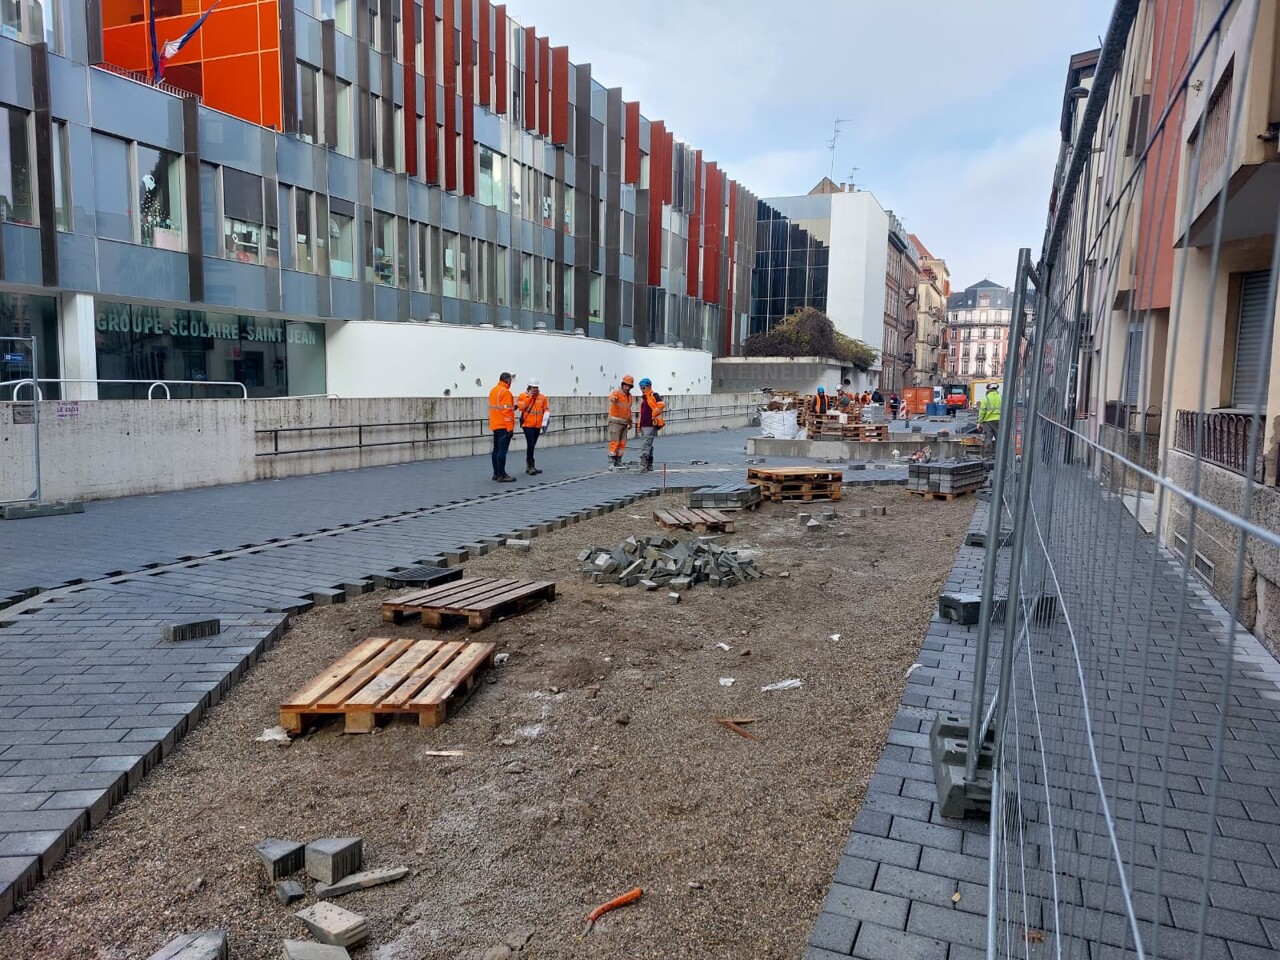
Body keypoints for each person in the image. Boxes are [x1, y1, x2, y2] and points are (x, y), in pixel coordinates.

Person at [516, 378, 551, 476]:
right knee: (530, 444)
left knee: (533, 445)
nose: (535, 389)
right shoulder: (523, 396)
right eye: (533, 387)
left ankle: (531, 465)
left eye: (536, 387)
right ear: (529, 387)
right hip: (527, 424)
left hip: (538, 425)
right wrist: (530, 397)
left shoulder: (542, 397)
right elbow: (521, 407)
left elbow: (545, 409)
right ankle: (530, 467)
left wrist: (545, 420)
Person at [488, 372, 517, 482]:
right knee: (502, 451)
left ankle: (496, 473)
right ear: (508, 381)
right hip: (504, 426)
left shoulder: (493, 391)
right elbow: (507, 412)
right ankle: (502, 475)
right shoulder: (506, 392)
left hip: (495, 424)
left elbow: (498, 407)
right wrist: (510, 428)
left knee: (496, 450)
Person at [607, 374, 636, 467]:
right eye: (626, 385)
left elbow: (628, 409)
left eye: (629, 386)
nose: (627, 388)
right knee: (614, 442)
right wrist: (613, 399)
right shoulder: (617, 393)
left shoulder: (630, 396)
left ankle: (618, 461)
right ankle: (611, 462)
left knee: (622, 443)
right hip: (615, 422)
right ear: (622, 385)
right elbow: (611, 396)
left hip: (624, 423)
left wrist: (630, 421)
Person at [637, 377, 665, 472]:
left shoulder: (654, 395)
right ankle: (649, 465)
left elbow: (661, 404)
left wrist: (654, 414)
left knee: (646, 444)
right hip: (644, 425)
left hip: (650, 424)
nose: (642, 390)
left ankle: (643, 465)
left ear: (649, 386)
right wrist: (639, 426)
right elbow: (642, 414)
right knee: (648, 444)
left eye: (643, 388)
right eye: (641, 388)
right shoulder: (644, 400)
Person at [978, 382, 1001, 458]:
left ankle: (988, 455)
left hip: (988, 421)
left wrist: (979, 422)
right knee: (999, 438)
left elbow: (982, 411)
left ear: (988, 389)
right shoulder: (1001, 397)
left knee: (988, 438)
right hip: (999, 420)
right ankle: (999, 455)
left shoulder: (986, 398)